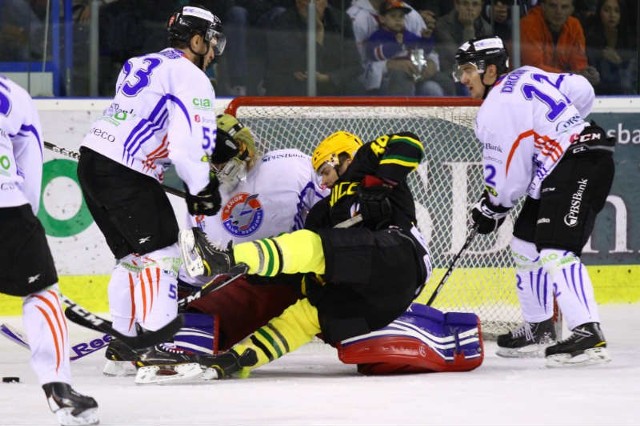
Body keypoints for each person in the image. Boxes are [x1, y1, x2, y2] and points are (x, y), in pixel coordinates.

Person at [176, 129, 433, 380]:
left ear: (345, 157)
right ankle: (239, 359)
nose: (322, 181)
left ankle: (225, 257)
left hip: (401, 258)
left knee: (317, 246)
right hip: (373, 299)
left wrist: (379, 184)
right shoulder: (325, 210)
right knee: (309, 314)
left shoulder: (365, 162)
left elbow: (409, 143)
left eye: (325, 171)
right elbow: (306, 260)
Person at [76, 4, 226, 375]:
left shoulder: (142, 62)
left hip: (92, 162)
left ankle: (125, 345)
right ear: (195, 40)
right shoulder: (191, 76)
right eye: (211, 42)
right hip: (127, 171)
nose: (213, 52)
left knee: (130, 259)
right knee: (164, 253)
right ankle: (156, 348)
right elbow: (186, 146)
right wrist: (201, 188)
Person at [453, 35, 615, 366]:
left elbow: (509, 178)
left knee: (556, 250)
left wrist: (492, 208)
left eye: (468, 70)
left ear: (490, 70)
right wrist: (563, 126)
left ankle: (587, 333)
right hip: (572, 156)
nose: (463, 79)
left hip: (577, 161)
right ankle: (539, 326)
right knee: (525, 242)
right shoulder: (526, 74)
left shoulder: (496, 107)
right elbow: (581, 89)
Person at [0, 74, 99, 425]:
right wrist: (24, 218)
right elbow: (30, 154)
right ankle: (59, 390)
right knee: (42, 292)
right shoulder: (10, 92)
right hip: (6, 205)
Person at [263, 0, 365, 96]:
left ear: (325, 2)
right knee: (297, 86)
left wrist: (328, 78)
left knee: (355, 87)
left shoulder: (340, 20)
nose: (311, 5)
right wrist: (318, 36)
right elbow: (298, 67)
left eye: (317, 0)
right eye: (306, 1)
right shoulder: (283, 22)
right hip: (295, 83)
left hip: (329, 80)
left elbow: (355, 66)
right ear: (297, 2)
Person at [364, 0, 444, 96]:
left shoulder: (408, 35)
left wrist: (426, 39)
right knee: (400, 76)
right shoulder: (378, 36)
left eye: (401, 16)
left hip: (414, 75)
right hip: (388, 78)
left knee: (442, 79)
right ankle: (404, 109)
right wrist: (396, 46)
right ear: (382, 19)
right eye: (393, 16)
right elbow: (375, 54)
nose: (398, 20)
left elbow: (424, 50)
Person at [520, 0, 601, 87]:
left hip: (563, 85)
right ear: (543, 6)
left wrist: (586, 73)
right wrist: (571, 75)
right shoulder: (528, 24)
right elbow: (533, 69)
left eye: (564, 7)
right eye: (553, 6)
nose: (558, 12)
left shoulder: (574, 26)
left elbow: (579, 64)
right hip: (530, 86)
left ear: (572, 9)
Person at [435, 0, 493, 95]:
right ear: (457, 5)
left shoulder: (486, 28)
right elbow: (459, 58)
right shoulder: (443, 25)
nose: (470, 8)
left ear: (480, 8)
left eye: (475, 4)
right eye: (465, 3)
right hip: (448, 73)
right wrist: (469, 28)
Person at [584, 0, 636, 95]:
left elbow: (632, 75)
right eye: (607, 10)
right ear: (599, 12)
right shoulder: (590, 38)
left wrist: (619, 63)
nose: (612, 15)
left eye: (617, 11)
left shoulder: (630, 40)